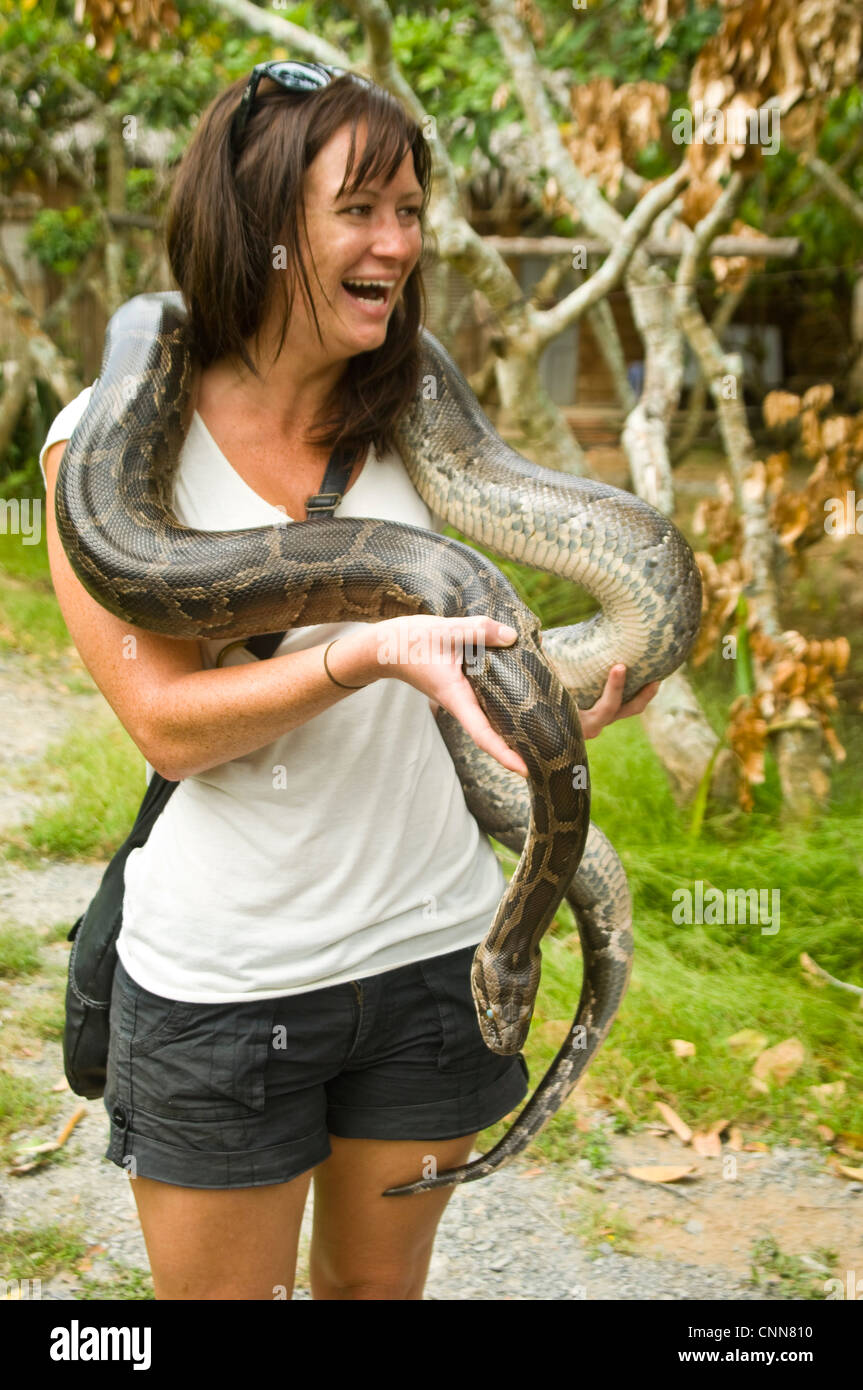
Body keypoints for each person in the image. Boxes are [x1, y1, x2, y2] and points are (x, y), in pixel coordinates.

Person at [41, 63, 659, 1302]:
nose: (397, 242)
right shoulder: (100, 459)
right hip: (227, 981)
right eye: (359, 210)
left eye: (411, 209)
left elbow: (471, 666)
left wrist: (551, 708)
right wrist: (360, 650)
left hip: (433, 954)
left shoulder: (414, 414)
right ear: (264, 223)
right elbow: (167, 729)